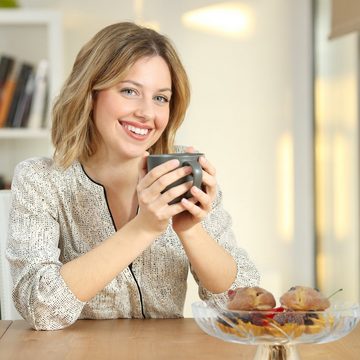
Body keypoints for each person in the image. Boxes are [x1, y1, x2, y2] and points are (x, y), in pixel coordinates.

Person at [6, 22, 259, 331]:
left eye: (161, 98)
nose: (147, 113)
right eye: (129, 91)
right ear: (90, 92)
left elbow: (243, 304)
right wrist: (143, 228)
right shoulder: (41, 179)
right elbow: (40, 308)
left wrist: (192, 231)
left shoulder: (182, 173)